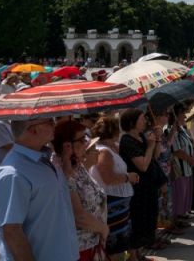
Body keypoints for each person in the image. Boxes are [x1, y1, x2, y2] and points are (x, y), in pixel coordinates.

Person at [0, 118, 79, 260]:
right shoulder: (13, 173)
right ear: (33, 129)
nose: (54, 124)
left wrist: (66, 170)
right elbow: (13, 232)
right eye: (49, 121)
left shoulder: (47, 159)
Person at [52, 120, 108, 261]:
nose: (87, 142)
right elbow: (79, 217)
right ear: (67, 145)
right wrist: (103, 229)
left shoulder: (76, 164)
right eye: (82, 139)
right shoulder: (62, 170)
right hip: (78, 250)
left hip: (92, 244)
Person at [119, 108, 165, 259]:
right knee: (138, 221)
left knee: (148, 219)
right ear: (132, 122)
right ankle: (133, 256)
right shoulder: (127, 141)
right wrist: (151, 146)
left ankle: (139, 254)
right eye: (141, 119)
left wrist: (157, 140)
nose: (145, 121)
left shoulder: (141, 136)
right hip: (138, 189)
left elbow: (155, 156)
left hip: (149, 186)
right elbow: (143, 165)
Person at [90, 116, 138, 258]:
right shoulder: (104, 151)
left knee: (121, 242)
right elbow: (108, 178)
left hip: (118, 202)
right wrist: (128, 177)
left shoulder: (108, 148)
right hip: (113, 203)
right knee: (115, 246)